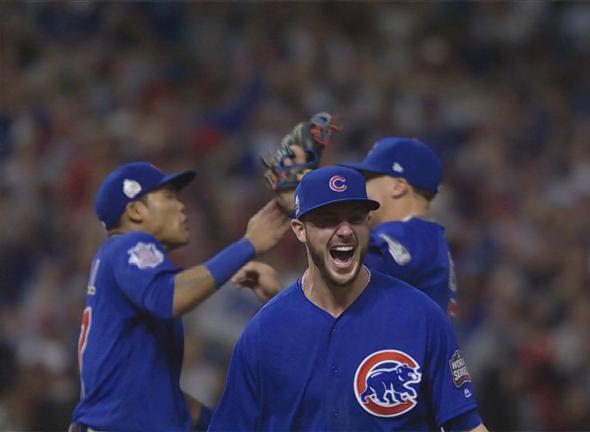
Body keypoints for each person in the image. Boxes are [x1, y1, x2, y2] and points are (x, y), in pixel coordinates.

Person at [209, 166, 486, 431]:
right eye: (327, 220)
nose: (344, 230)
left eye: (354, 218)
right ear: (299, 230)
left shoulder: (421, 316)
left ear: (368, 223)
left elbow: (466, 425)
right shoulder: (263, 332)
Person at [70, 162, 288, 432]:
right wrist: (248, 244)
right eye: (169, 196)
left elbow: (166, 402)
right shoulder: (129, 244)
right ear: (136, 211)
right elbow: (168, 297)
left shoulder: (124, 272)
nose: (181, 206)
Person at [271, 131, 458, 315]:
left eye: (368, 177)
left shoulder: (407, 234)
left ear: (398, 186)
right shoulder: (427, 237)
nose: (362, 184)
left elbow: (340, 281)